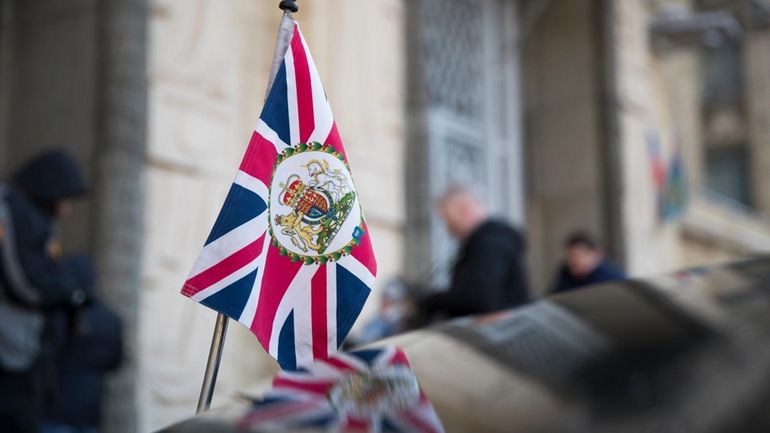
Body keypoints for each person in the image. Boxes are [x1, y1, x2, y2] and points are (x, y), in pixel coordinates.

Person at [0, 149, 90, 433]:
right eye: (63, 198)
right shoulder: (8, 208)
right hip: (9, 349)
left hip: (25, 350)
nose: (65, 209)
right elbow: (25, 284)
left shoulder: (34, 215)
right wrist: (67, 292)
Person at [417, 186, 529, 320]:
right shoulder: (491, 240)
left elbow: (477, 298)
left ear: (464, 209)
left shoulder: (489, 243)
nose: (448, 229)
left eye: (448, 220)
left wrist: (429, 301)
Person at [42, 256, 123, 433]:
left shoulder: (56, 313)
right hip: (90, 407)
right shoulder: (110, 318)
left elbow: (45, 353)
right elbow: (115, 361)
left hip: (57, 408)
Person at [550, 231, 626, 295]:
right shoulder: (566, 272)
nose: (572, 260)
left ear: (596, 255)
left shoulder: (612, 279)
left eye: (577, 255)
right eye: (570, 255)